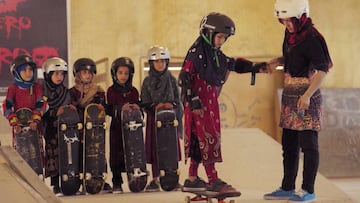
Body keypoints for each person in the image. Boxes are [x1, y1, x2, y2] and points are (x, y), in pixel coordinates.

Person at [178, 12, 274, 196]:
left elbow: (232, 64)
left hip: (208, 104)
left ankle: (192, 178)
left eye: (224, 38)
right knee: (208, 138)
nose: (221, 41)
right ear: (207, 33)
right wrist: (194, 99)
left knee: (201, 139)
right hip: (199, 105)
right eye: (220, 37)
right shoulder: (196, 52)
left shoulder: (214, 54)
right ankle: (213, 180)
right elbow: (184, 77)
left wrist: (255, 67)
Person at [263, 0, 332, 202]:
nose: (287, 25)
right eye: (283, 21)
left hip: (307, 97)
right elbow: (296, 59)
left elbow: (322, 69)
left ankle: (308, 190)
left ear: (301, 17)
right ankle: (287, 188)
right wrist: (279, 60)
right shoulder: (291, 35)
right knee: (289, 145)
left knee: (309, 145)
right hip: (291, 94)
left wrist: (308, 95)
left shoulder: (312, 37)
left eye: (290, 21)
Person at [140, 45, 182, 192]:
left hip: (170, 122)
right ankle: (155, 179)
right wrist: (156, 106)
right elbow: (144, 102)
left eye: (163, 61)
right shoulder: (147, 82)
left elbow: (178, 99)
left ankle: (172, 178)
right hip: (154, 120)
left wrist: (170, 104)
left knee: (170, 149)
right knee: (156, 149)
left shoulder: (171, 80)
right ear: (151, 63)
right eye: (157, 61)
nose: (160, 64)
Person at [69, 57, 112, 193]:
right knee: (80, 154)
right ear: (77, 75)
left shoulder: (99, 91)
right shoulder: (72, 92)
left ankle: (100, 180)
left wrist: (101, 107)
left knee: (97, 153)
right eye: (84, 72)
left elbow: (103, 107)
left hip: (95, 130)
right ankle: (81, 181)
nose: (87, 75)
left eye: (89, 73)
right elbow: (71, 107)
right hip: (79, 130)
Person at [2, 54, 47, 169]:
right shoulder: (13, 88)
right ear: (16, 72)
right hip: (19, 128)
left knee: (36, 155)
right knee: (22, 156)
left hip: (34, 126)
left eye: (30, 70)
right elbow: (7, 106)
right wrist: (14, 122)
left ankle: (38, 175)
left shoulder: (36, 87)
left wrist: (35, 120)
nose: (28, 73)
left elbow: (41, 104)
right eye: (24, 70)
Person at [105, 57, 140, 193]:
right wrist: (120, 108)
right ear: (115, 74)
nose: (123, 76)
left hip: (132, 129)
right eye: (120, 73)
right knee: (116, 154)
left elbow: (139, 106)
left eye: (126, 73)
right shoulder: (111, 91)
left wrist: (136, 107)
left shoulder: (134, 91)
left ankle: (134, 179)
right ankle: (117, 182)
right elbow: (109, 109)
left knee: (132, 153)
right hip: (117, 128)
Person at [42, 57, 72, 196]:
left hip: (64, 128)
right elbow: (41, 110)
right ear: (48, 75)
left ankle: (67, 182)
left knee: (66, 153)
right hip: (50, 129)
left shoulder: (65, 92)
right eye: (56, 73)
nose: (59, 77)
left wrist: (71, 109)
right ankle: (55, 184)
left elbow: (70, 106)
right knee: (52, 155)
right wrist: (54, 112)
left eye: (62, 74)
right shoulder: (42, 91)